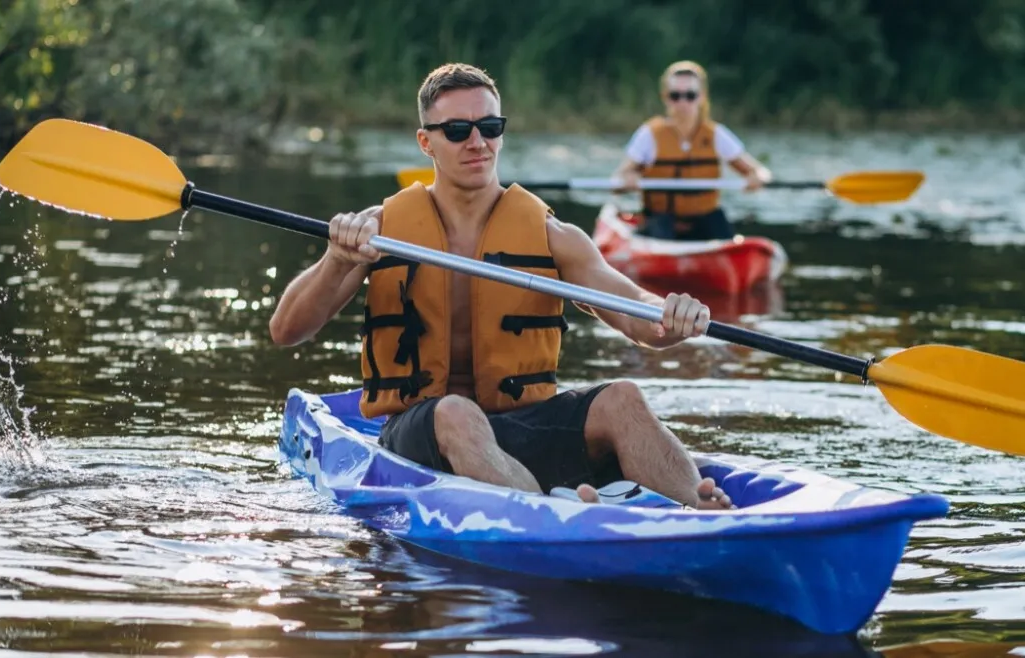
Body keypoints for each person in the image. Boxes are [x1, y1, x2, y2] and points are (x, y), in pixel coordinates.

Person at [269, 62, 733, 511]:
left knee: (623, 399)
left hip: (521, 425)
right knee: (455, 411)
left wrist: (672, 316)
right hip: (422, 431)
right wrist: (336, 260)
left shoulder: (554, 236)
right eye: (457, 131)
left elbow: (637, 314)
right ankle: (551, 514)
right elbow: (287, 330)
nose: (477, 142)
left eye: (490, 127)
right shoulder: (380, 230)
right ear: (425, 141)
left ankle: (701, 507)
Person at [613, 60, 773, 241]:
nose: (683, 102)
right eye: (675, 95)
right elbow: (620, 178)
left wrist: (757, 177)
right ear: (665, 97)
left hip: (705, 217)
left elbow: (758, 170)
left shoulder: (716, 134)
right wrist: (628, 178)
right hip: (662, 218)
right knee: (662, 228)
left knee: (720, 226)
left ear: (702, 96)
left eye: (690, 95)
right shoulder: (649, 134)